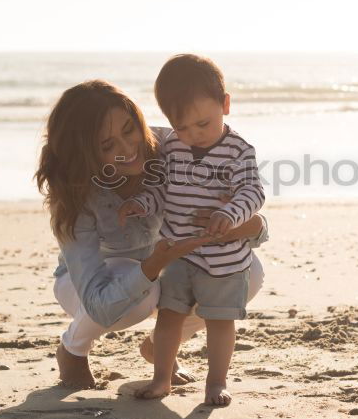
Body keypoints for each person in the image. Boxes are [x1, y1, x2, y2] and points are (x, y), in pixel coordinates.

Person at [34, 79, 269, 389]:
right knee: (142, 290)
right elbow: (98, 303)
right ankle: (73, 349)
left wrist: (247, 226)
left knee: (248, 272)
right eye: (107, 146)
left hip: (169, 267)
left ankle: (160, 345)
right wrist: (153, 265)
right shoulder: (77, 193)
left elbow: (251, 209)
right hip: (90, 284)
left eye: (129, 130)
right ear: (85, 154)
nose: (128, 149)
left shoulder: (176, 144)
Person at [119, 54, 264, 406]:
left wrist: (230, 214)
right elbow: (159, 189)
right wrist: (142, 204)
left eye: (203, 123)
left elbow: (253, 192)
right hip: (179, 251)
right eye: (182, 127)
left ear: (225, 105)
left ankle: (216, 382)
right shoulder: (172, 146)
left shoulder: (239, 150)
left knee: (219, 321)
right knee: (170, 316)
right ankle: (161, 379)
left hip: (225, 257)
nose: (194, 135)